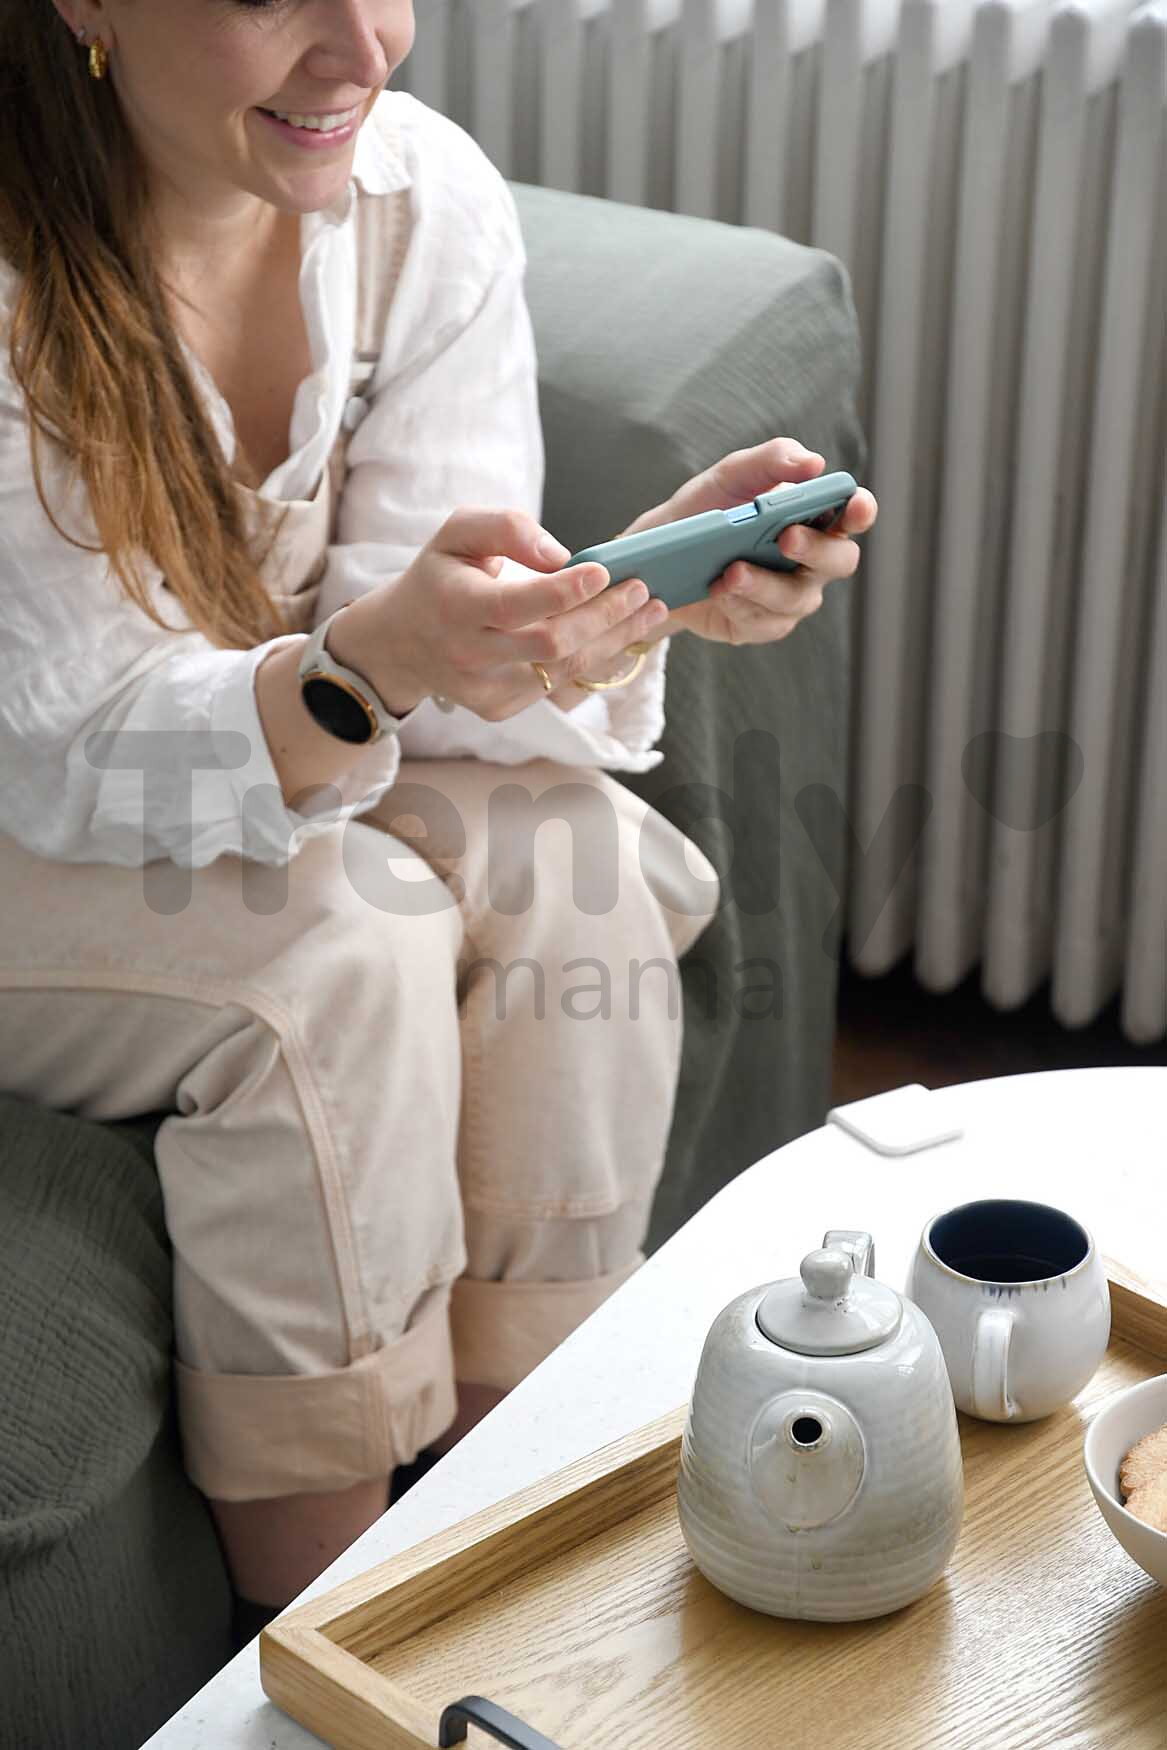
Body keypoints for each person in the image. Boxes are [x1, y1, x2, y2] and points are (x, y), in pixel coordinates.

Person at [0, 0, 878, 1629]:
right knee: (334, 961)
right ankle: (328, 1651)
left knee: (573, 862)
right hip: (32, 802)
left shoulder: (418, 203)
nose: (364, 50)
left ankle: (524, 1548)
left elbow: (416, 645)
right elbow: (77, 754)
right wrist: (363, 669)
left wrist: (618, 600)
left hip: (238, 742)